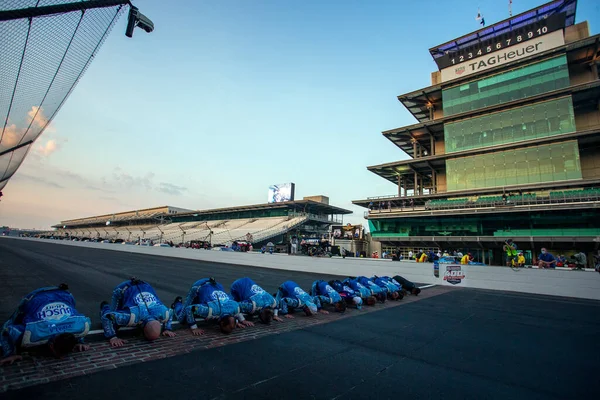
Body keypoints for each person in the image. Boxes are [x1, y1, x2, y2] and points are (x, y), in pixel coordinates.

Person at [1, 284, 90, 365]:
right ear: (51, 345)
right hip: (34, 298)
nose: (61, 358)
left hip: (64, 295)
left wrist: (80, 341)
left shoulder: (80, 326)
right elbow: (7, 330)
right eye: (60, 354)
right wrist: (10, 353)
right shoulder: (34, 332)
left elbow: (81, 325)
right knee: (14, 320)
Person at [101, 278, 176, 347]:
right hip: (124, 289)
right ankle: (105, 307)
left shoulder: (163, 313)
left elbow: (171, 312)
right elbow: (107, 317)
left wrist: (167, 328)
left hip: (145, 286)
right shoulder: (132, 317)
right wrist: (112, 337)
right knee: (114, 323)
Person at [173, 278, 252, 335]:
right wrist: (194, 327)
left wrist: (238, 321)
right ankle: (177, 304)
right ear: (221, 322)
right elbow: (190, 309)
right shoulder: (209, 311)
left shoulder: (235, 307)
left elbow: (236, 313)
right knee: (181, 318)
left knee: (203, 302)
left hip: (216, 286)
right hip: (200, 286)